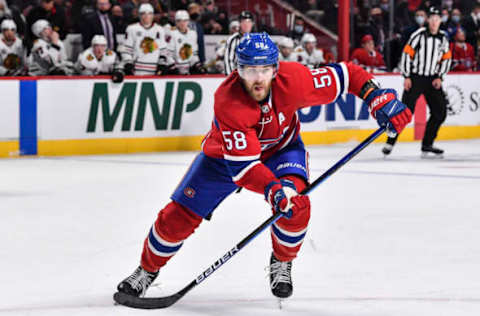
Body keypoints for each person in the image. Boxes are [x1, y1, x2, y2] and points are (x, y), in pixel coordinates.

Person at [115, 32, 411, 300]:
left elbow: (349, 74)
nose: (258, 78)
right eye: (249, 70)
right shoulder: (228, 101)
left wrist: (376, 97)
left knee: (296, 207)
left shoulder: (295, 79)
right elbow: (244, 169)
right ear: (237, 70)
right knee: (176, 218)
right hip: (224, 160)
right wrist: (273, 190)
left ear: (275, 69)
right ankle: (146, 270)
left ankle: (282, 262)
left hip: (283, 151)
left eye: (265, 70)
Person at [383, 6, 451, 157]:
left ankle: (427, 144)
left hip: (432, 79)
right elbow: (407, 54)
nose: (434, 22)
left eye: (437, 19)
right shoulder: (419, 35)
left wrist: (440, 76)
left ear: (440, 21)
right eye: (431, 19)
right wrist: (406, 76)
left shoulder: (443, 38)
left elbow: (446, 59)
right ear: (428, 20)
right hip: (415, 78)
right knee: (404, 112)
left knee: (440, 112)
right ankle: (390, 142)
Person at [117, 3, 169, 76]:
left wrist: (162, 64)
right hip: (137, 70)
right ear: (139, 15)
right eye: (143, 14)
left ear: (153, 15)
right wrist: (128, 62)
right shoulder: (132, 29)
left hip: (154, 70)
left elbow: (163, 50)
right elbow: (126, 50)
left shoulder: (159, 30)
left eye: (149, 14)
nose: (147, 16)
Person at [166, 10, 205, 75]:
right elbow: (168, 55)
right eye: (179, 21)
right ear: (176, 22)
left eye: (185, 21)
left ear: (188, 21)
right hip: (176, 71)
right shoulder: (172, 34)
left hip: (189, 71)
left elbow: (194, 55)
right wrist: (173, 68)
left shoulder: (193, 34)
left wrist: (198, 66)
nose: (182, 23)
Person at [224, 10, 254, 75]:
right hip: (237, 77)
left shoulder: (256, 39)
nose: (246, 25)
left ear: (252, 24)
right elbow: (228, 61)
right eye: (244, 22)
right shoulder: (233, 39)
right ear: (239, 24)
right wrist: (231, 78)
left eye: (249, 22)